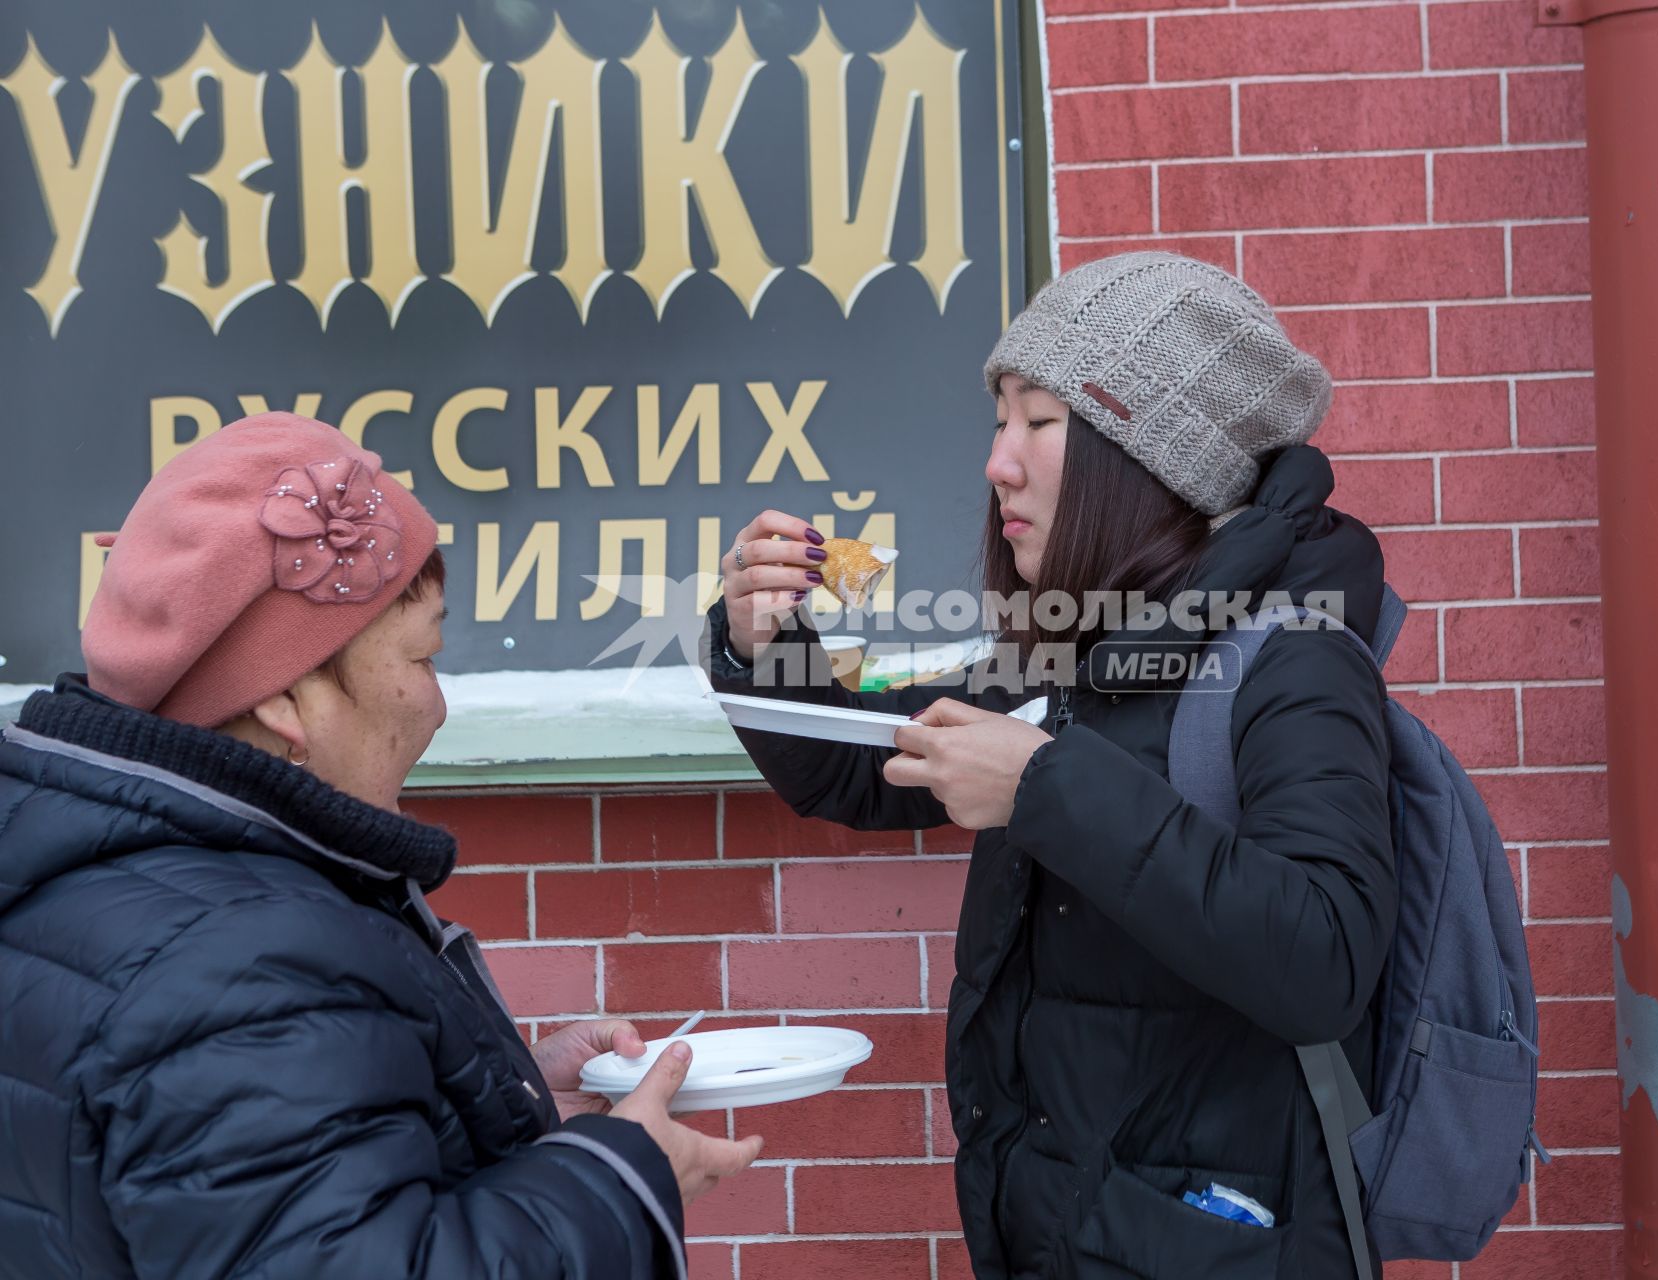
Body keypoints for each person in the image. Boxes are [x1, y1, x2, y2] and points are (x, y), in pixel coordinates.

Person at [706, 253, 1396, 1277]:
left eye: (1039, 420)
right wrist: (762, 647)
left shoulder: (1292, 655)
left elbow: (1326, 960)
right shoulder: (1068, 652)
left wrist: (1043, 786)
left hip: (1230, 1243)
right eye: (1000, 420)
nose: (999, 462)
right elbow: (858, 771)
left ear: (1153, 457)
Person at [0, 413, 760, 1279]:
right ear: (287, 700)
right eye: (424, 657)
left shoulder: (90, 877)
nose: (437, 706)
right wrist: (617, 1179)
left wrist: (495, 1100)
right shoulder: (252, 962)